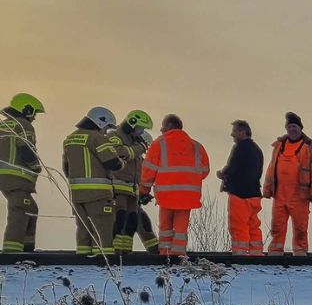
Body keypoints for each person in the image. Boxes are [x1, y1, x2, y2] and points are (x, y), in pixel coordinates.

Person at [139, 114, 209, 256]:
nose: (161, 129)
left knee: (165, 227)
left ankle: (165, 254)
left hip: (166, 194)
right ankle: (178, 254)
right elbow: (205, 170)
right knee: (181, 229)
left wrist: (143, 190)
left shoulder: (159, 143)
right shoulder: (196, 146)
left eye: (163, 125)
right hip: (188, 196)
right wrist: (189, 179)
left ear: (169, 126)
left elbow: (149, 170)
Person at [63, 107, 123, 256]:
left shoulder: (69, 139)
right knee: (102, 227)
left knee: (83, 227)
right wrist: (121, 162)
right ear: (101, 122)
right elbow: (112, 162)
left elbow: (66, 167)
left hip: (77, 194)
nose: (106, 131)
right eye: (107, 127)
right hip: (98, 194)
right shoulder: (98, 138)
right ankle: (105, 263)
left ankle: (83, 259)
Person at [264, 112, 312, 255]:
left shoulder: (310, 147)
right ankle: (275, 253)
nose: (292, 129)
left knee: (300, 228)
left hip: (300, 195)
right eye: (289, 126)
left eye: (294, 126)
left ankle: (300, 254)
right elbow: (271, 168)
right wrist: (267, 189)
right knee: (277, 226)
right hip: (280, 194)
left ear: (300, 128)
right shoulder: (279, 145)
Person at [0, 93, 45, 253]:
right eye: (34, 112)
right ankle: (12, 252)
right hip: (16, 177)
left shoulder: (4, 125)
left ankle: (27, 248)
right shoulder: (24, 125)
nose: (34, 117)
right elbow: (25, 147)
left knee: (31, 208)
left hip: (5, 178)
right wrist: (35, 166)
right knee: (21, 210)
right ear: (26, 109)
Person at [109, 110, 157, 253]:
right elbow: (118, 152)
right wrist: (141, 147)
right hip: (117, 191)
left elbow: (139, 172)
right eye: (140, 128)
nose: (140, 131)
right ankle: (117, 253)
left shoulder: (136, 150)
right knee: (120, 221)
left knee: (133, 222)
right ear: (132, 123)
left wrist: (143, 192)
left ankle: (126, 253)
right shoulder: (115, 137)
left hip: (132, 193)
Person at [216, 119, 264, 255]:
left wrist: (223, 174)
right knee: (253, 226)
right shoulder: (257, 150)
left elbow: (234, 169)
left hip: (239, 195)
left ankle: (240, 253)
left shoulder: (240, 148)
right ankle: (257, 253)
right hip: (255, 194)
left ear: (243, 132)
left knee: (239, 226)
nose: (232, 135)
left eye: (235, 131)